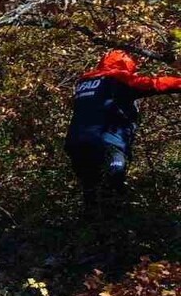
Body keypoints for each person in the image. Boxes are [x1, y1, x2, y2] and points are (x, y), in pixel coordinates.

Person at [65, 49, 181, 210]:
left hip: (76, 143)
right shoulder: (119, 78)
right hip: (107, 141)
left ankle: (93, 229)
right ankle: (119, 227)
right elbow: (155, 84)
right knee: (114, 185)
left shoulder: (83, 81)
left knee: (90, 191)